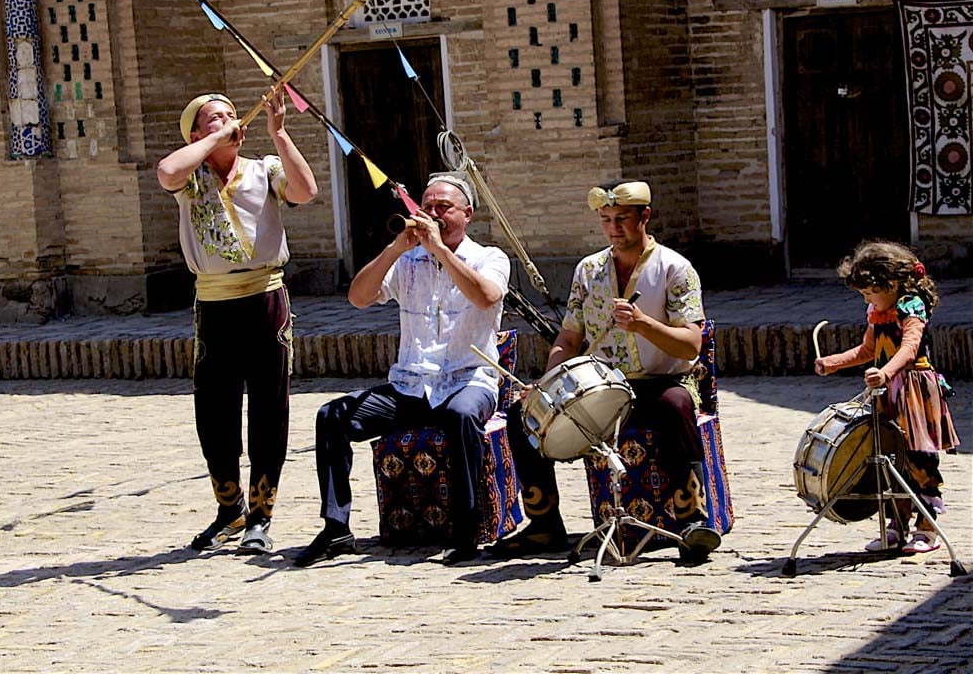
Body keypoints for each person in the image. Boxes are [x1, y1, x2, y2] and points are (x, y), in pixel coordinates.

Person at [496, 179, 722, 563]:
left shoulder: (675, 269)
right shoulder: (589, 270)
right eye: (606, 220)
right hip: (602, 386)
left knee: (677, 404)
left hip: (659, 381)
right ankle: (544, 523)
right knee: (523, 415)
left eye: (622, 219)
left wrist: (642, 325)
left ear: (645, 217)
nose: (614, 228)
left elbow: (691, 345)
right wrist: (546, 384)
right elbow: (568, 339)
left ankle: (690, 519)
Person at [294, 172, 510, 567]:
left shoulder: (490, 257)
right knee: (331, 417)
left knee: (462, 417)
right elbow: (358, 298)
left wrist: (441, 251)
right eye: (426, 206)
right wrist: (395, 249)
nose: (433, 213)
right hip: (411, 384)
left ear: (468, 214)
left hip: (468, 378)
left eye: (443, 207)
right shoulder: (407, 261)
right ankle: (335, 527)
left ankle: (465, 529)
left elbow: (485, 297)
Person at [156, 88, 318, 554]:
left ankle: (261, 515)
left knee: (269, 407)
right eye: (214, 118)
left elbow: (305, 191)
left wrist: (279, 132)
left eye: (231, 114)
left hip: (265, 298)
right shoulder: (190, 178)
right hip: (215, 304)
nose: (228, 121)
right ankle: (229, 509)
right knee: (215, 408)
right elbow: (167, 170)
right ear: (195, 133)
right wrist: (214, 141)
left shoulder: (262, 169)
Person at [815, 240, 960, 554]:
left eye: (870, 293)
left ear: (892, 284)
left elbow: (909, 349)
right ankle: (895, 525)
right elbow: (868, 349)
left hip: (913, 388)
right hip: (887, 391)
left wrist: (886, 372)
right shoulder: (877, 310)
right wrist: (833, 362)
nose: (867, 299)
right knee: (887, 458)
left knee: (918, 459)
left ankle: (926, 527)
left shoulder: (911, 306)